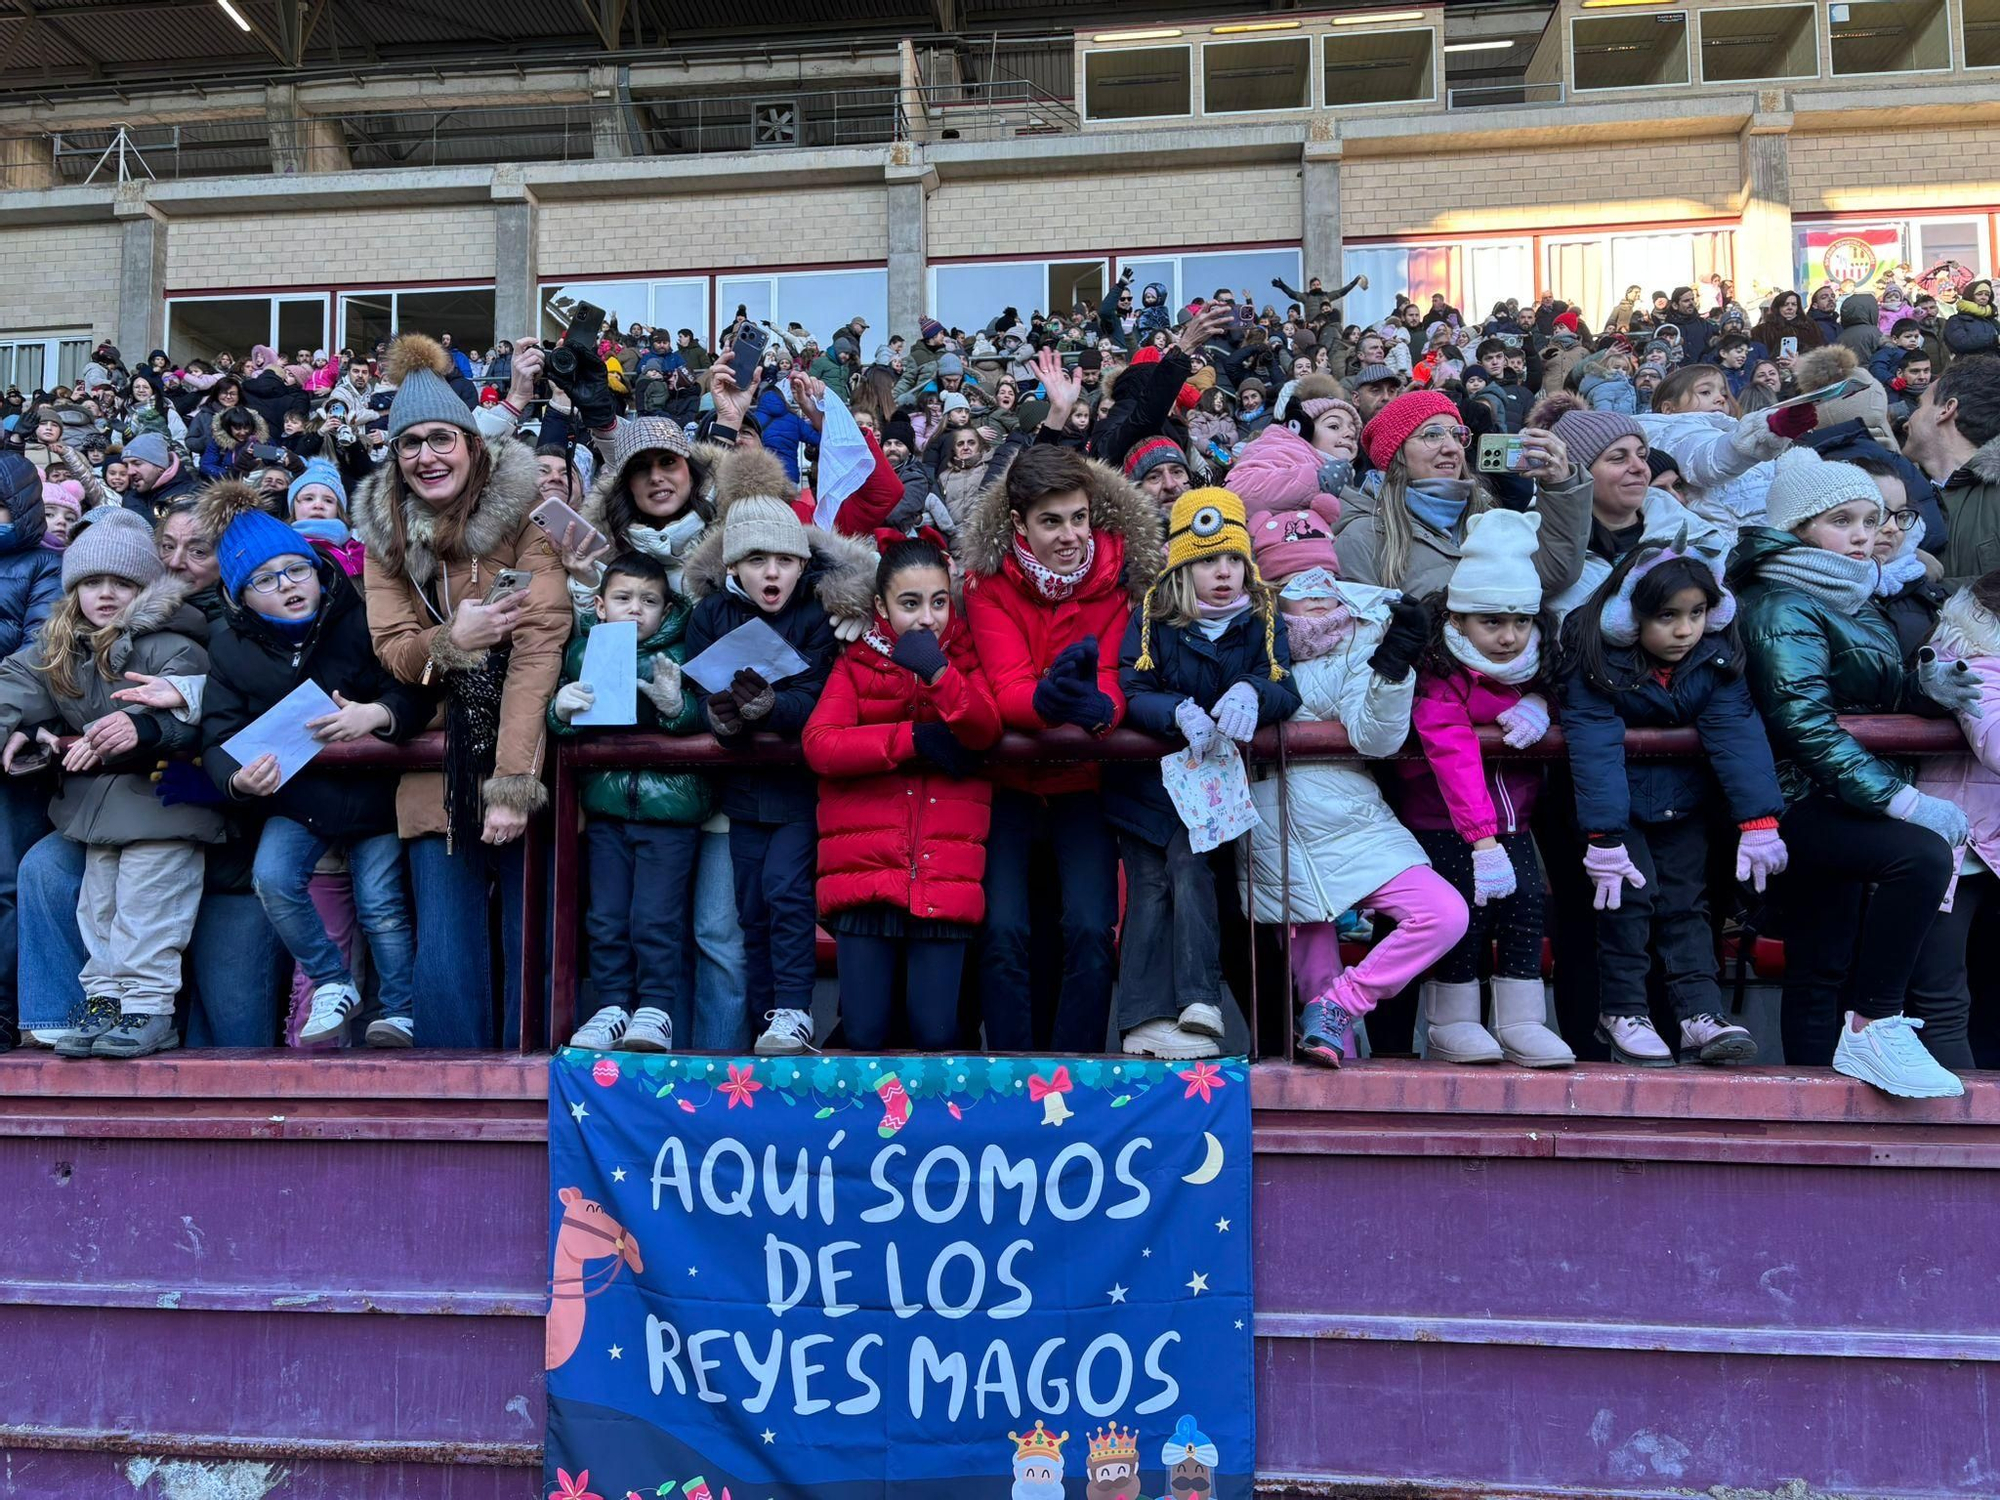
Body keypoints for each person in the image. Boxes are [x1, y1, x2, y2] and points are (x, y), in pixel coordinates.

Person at [1730, 448, 1977, 1097]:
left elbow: (1868, 687)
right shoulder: (1781, 604)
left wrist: (1925, 691)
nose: (1865, 534)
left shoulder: (1848, 592)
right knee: (1920, 857)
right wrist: (1902, 801)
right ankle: (1875, 1025)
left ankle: (1823, 1092)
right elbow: (1801, 721)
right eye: (1843, 520)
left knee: (1825, 954)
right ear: (1797, 528)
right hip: (1793, 797)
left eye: (1872, 519)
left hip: (1839, 795)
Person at [353, 333, 570, 1048]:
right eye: (409, 444)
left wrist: (512, 786)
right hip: (435, 765)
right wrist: (453, 640)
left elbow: (539, 648)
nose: (426, 456)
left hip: (526, 757)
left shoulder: (529, 515)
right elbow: (395, 653)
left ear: (472, 444)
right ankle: (450, 1093)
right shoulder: (385, 536)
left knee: (535, 942)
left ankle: (531, 1089)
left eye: (441, 438)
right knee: (446, 952)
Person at [1234, 487, 1469, 1066]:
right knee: (1314, 983)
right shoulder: (1245, 643)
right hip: (1273, 834)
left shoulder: (1363, 636)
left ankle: (1345, 1002)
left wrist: (1393, 669)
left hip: (1354, 820)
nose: (1317, 594)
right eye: (1297, 582)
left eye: (1324, 579)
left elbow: (1377, 738)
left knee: (1444, 913)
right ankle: (1331, 1069)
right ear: (1270, 590)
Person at [198, 484, 434, 1049]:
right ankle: (332, 980)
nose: (287, 585)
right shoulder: (229, 649)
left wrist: (377, 714)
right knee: (273, 879)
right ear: (240, 596)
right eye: (265, 580)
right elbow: (218, 736)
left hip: (374, 797)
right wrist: (236, 777)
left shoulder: (359, 620)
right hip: (299, 801)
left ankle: (400, 1010)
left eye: (296, 570)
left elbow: (413, 690)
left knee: (381, 904)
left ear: (317, 571)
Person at [960, 443, 1163, 1053]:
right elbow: (1008, 687)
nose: (1070, 536)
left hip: (1082, 783)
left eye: (1079, 518)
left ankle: (1079, 1069)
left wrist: (1102, 709)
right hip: (1010, 785)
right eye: (1051, 522)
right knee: (1002, 930)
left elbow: (1115, 673)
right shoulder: (988, 583)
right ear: (1019, 524)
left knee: (1091, 929)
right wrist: (1051, 702)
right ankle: (1011, 1069)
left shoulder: (1121, 577)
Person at [0, 511, 222, 1059]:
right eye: (91, 582)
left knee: (147, 912)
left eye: (121, 582)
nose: (104, 594)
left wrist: (147, 726)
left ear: (144, 588)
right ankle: (102, 1006)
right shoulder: (63, 645)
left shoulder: (173, 643)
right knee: (98, 912)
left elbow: (199, 708)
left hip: (162, 802)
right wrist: (19, 724)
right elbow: (14, 683)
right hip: (98, 812)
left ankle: (148, 1010)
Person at [1557, 539, 1784, 1065]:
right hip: (1615, 811)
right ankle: (1623, 1011)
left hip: (1681, 803)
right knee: (1627, 901)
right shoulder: (1593, 659)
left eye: (1697, 613)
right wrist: (1604, 835)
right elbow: (1593, 744)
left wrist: (1759, 820)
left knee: (1688, 903)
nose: (1685, 630)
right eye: (1667, 616)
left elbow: (1737, 732)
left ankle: (1699, 1014)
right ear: (1626, 616)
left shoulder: (1715, 657)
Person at [683, 447, 875, 1057]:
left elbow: (819, 694)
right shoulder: (710, 615)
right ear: (734, 565)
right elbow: (696, 692)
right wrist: (720, 719)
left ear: (803, 564)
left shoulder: (818, 613)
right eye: (757, 560)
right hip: (742, 792)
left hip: (798, 791)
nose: (773, 574)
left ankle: (794, 1010)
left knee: (787, 894)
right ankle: (767, 1017)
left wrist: (772, 707)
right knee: (751, 908)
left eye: (786, 561)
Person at [1112, 488, 1299, 1059]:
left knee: (1197, 877)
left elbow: (1285, 687)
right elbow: (1134, 689)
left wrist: (1252, 691)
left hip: (1219, 792)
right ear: (1181, 568)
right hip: (1151, 787)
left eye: (1233, 560)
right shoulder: (1153, 620)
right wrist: (1174, 711)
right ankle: (1146, 1019)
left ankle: (1202, 1006)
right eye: (1208, 560)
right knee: (1152, 886)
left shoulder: (1262, 621)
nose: (1223, 572)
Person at [801, 534, 1002, 1051]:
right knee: (864, 1033)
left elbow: (983, 727)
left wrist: (937, 672)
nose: (927, 619)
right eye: (910, 604)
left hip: (943, 877)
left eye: (939, 602)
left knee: (935, 1034)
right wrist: (913, 739)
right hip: (865, 874)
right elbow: (821, 744)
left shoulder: (966, 659)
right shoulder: (856, 662)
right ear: (881, 606)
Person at [1397, 509, 1574, 1067]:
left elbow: (1580, 692)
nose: (1509, 636)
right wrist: (1482, 840)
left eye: (1520, 621)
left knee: (1525, 906)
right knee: (1465, 913)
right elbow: (1451, 751)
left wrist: (1542, 703)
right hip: (1446, 822)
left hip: (1511, 821)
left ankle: (1522, 1021)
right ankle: (1451, 1022)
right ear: (1458, 618)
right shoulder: (1440, 674)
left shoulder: (1539, 662)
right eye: (1491, 622)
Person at [555, 553, 715, 1054]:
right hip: (607, 809)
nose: (635, 609)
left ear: (666, 610)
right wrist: (559, 711)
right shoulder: (581, 652)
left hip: (670, 811)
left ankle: (656, 1009)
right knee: (605, 918)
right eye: (623, 598)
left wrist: (678, 707)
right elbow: (562, 719)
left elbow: (706, 716)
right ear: (599, 606)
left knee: (655, 918)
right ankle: (611, 1006)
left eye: (649, 601)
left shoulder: (684, 651)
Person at [1335, 389, 1590, 603]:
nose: (1452, 448)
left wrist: (1561, 486)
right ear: (1395, 454)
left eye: (1457, 435)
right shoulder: (1362, 538)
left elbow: (1549, 576)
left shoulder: (1486, 515)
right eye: (1432, 435)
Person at [1907, 571, 2000, 1069]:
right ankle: (1960, 1112)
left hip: (1986, 847)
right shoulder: (1971, 655)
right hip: (1959, 848)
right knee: (1943, 996)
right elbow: (1995, 739)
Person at [1636, 363, 1817, 533]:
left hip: (1774, 525)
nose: (1720, 398)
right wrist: (1771, 428)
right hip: (1736, 537)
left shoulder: (1729, 432)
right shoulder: (1675, 431)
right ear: (1669, 409)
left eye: (1723, 393)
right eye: (1705, 392)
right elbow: (1708, 460)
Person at [1899, 352, 2000, 589]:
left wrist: (1924, 590)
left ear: (1946, 410)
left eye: (1919, 406)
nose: (1906, 423)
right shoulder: (1898, 495)